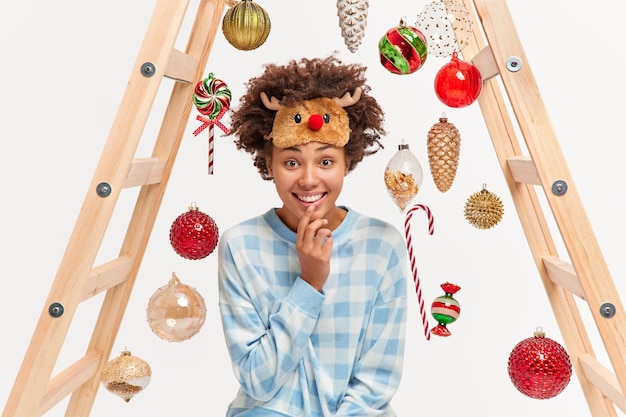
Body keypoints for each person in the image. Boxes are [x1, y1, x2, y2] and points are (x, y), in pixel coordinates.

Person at [218, 55, 408, 417]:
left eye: (325, 161)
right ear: (268, 163)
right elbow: (256, 381)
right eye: (291, 162)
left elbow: (376, 382)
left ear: (347, 162)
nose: (308, 179)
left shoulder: (382, 245)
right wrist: (309, 284)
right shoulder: (240, 245)